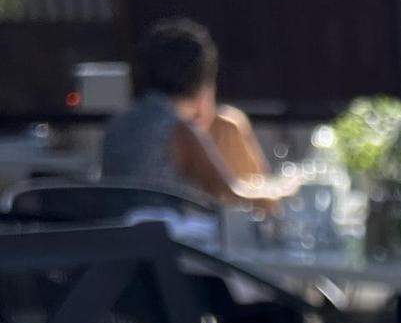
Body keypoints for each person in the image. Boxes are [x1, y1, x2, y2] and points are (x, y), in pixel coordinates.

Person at [102, 18, 286, 205]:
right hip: (162, 230)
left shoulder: (118, 123)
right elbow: (230, 193)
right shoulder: (177, 130)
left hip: (120, 228)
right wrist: (284, 192)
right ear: (202, 80)